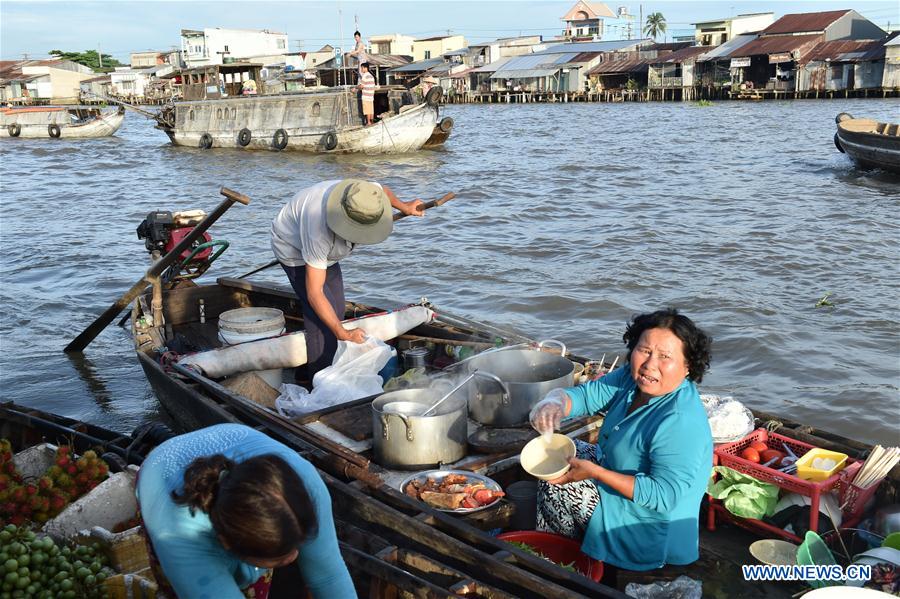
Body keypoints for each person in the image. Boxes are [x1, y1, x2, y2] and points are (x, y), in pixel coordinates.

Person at [529, 308, 713, 572]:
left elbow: (664, 496)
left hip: (649, 524)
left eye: (665, 357)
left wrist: (596, 473)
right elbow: (588, 396)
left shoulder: (680, 420)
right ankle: (573, 547)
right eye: (645, 350)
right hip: (617, 476)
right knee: (551, 457)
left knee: (561, 487)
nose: (650, 365)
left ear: (688, 367)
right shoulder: (631, 379)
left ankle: (567, 566)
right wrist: (555, 401)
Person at [136, 424, 356, 598]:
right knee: (190, 588)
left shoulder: (305, 485)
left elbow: (329, 576)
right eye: (280, 559)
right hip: (161, 473)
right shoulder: (178, 537)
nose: (296, 557)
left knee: (255, 584)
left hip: (233, 438)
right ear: (227, 543)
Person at [270, 179, 424, 383]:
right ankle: (318, 383)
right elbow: (315, 293)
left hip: (330, 252)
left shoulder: (365, 195)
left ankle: (307, 370)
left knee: (337, 308)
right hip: (294, 249)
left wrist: (405, 207)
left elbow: (383, 192)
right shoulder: (317, 228)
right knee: (321, 321)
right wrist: (341, 331)